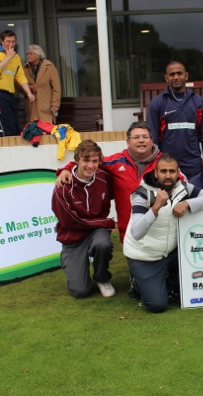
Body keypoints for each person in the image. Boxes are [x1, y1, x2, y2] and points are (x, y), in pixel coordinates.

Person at [57, 121, 163, 300]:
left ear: (152, 140)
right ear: (128, 141)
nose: (141, 140)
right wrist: (65, 169)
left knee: (156, 280)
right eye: (136, 137)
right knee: (81, 290)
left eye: (145, 137)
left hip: (158, 227)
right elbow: (88, 162)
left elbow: (180, 181)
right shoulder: (114, 161)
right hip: (130, 232)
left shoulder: (164, 162)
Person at [123, 154, 203, 313]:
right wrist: (155, 207)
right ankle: (136, 281)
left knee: (197, 255)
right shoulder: (142, 194)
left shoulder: (183, 187)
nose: (168, 176)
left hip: (170, 253)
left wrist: (188, 203)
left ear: (178, 173)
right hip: (144, 255)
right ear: (156, 173)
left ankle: (168, 284)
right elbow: (136, 232)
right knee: (158, 305)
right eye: (163, 171)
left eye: (172, 171)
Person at [51, 139, 116, 298]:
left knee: (102, 244)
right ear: (76, 161)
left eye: (95, 161)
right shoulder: (63, 186)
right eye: (86, 160)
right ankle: (73, 261)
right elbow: (69, 222)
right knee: (80, 291)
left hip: (96, 231)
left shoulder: (103, 177)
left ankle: (102, 278)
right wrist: (106, 222)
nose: (90, 165)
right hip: (73, 236)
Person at [147, 61, 203, 180]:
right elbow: (153, 137)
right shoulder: (157, 103)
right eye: (172, 74)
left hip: (193, 166)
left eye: (179, 73)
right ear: (166, 78)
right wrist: (156, 164)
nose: (176, 77)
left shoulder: (198, 102)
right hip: (168, 167)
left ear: (186, 75)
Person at [0, 30, 35, 136]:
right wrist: (8, 57)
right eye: (8, 41)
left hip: (9, 94)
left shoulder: (16, 57)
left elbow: (20, 77)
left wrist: (29, 93)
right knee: (4, 126)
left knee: (14, 126)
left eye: (13, 42)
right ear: (2, 41)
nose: (11, 44)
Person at [24, 44, 61, 123]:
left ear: (38, 55)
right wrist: (29, 87)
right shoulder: (25, 68)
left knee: (46, 127)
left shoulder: (49, 67)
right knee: (33, 128)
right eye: (27, 54)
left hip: (46, 106)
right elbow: (19, 85)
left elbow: (56, 87)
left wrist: (55, 103)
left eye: (31, 54)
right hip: (31, 107)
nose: (28, 56)